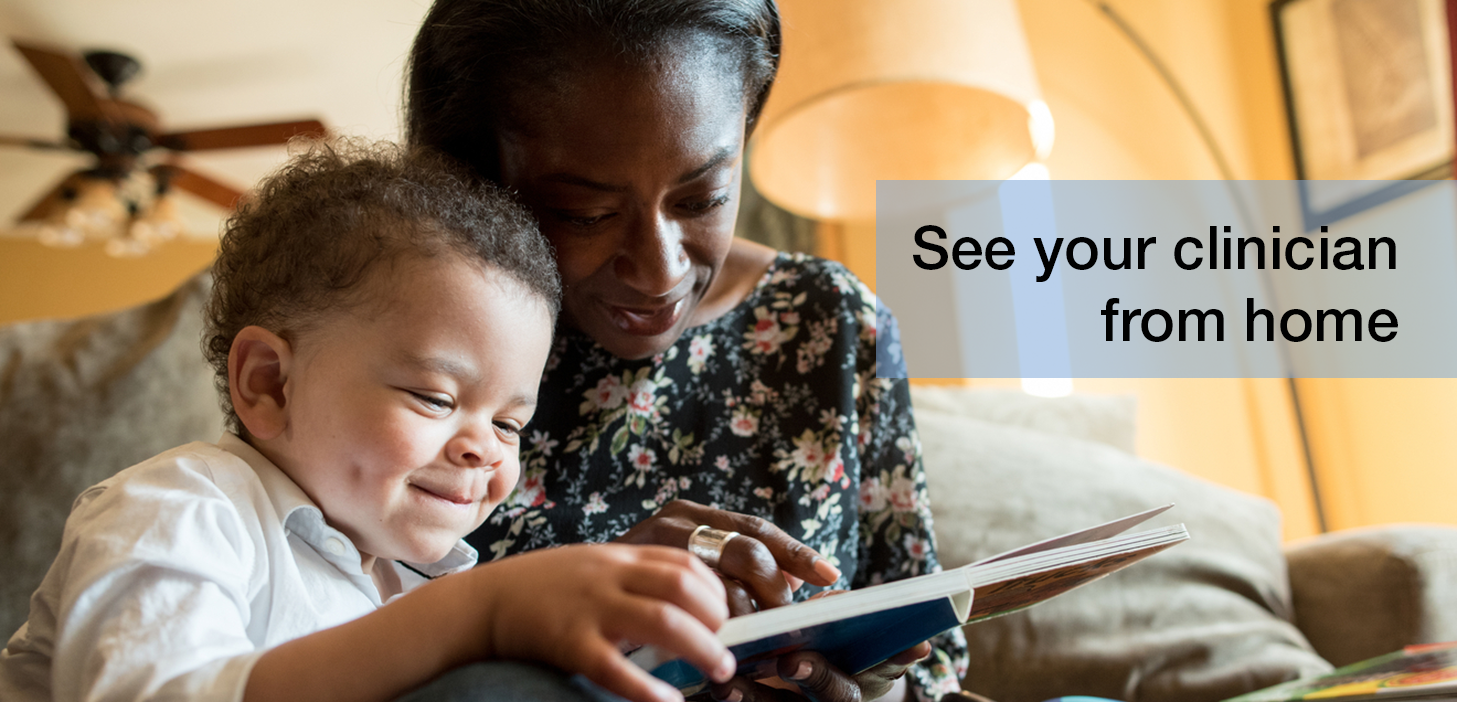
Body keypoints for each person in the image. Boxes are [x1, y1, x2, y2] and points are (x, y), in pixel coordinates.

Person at [0, 140, 738, 702]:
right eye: (435, 397)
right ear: (270, 383)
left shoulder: (402, 585)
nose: (484, 447)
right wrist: (476, 617)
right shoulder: (178, 509)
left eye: (511, 425)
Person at [406, 2, 970, 700]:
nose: (660, 271)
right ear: (475, 176)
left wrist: (864, 691)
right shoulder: (399, 342)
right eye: (586, 214)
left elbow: (933, 653)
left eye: (703, 197)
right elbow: (294, 616)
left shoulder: (825, 323)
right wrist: (576, 596)